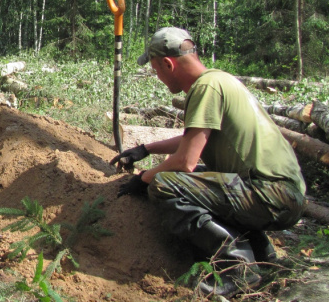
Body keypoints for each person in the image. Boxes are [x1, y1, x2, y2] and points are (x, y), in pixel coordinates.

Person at [112, 27, 306, 297]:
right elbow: (194, 139)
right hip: (281, 190)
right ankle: (264, 257)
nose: (157, 76)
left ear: (168, 64)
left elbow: (185, 162)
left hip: (270, 192)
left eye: (156, 70)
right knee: (201, 180)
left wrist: (144, 178)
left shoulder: (205, 88)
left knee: (166, 184)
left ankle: (236, 269)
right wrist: (145, 149)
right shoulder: (218, 80)